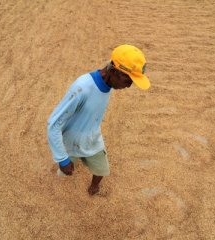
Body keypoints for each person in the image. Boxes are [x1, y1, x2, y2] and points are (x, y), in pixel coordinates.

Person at [47, 44, 150, 195]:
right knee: (65, 171)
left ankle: (94, 186)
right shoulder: (82, 88)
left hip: (92, 138)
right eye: (128, 80)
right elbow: (53, 124)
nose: (129, 86)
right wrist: (62, 159)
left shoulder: (108, 83)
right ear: (114, 71)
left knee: (102, 169)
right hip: (71, 141)